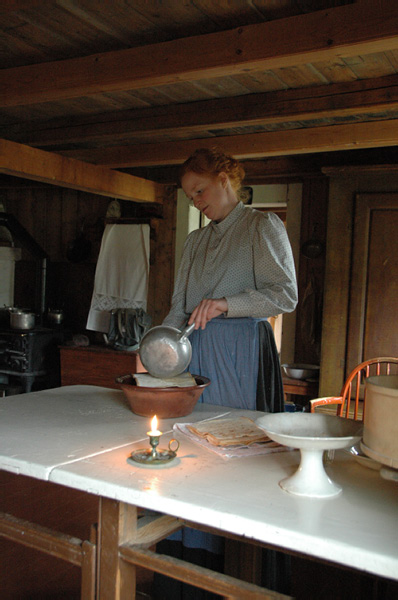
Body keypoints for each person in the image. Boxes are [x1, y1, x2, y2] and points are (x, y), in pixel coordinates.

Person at [152, 147, 298, 599]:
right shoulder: (196, 240)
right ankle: (180, 565)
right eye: (190, 197)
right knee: (186, 447)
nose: (196, 203)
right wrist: (158, 354)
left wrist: (226, 305)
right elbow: (178, 307)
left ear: (225, 178)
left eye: (200, 191)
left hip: (239, 353)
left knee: (227, 452)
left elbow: (285, 296)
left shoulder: (261, 226)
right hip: (192, 352)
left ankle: (227, 569)